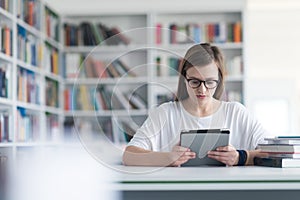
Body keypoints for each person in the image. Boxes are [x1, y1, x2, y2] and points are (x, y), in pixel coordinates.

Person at [122, 43, 269, 167]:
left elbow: (273, 153)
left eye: (210, 82)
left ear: (219, 80)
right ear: (184, 79)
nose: (202, 90)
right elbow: (128, 156)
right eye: (194, 81)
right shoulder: (165, 113)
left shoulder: (236, 112)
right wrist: (167, 158)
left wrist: (240, 157)